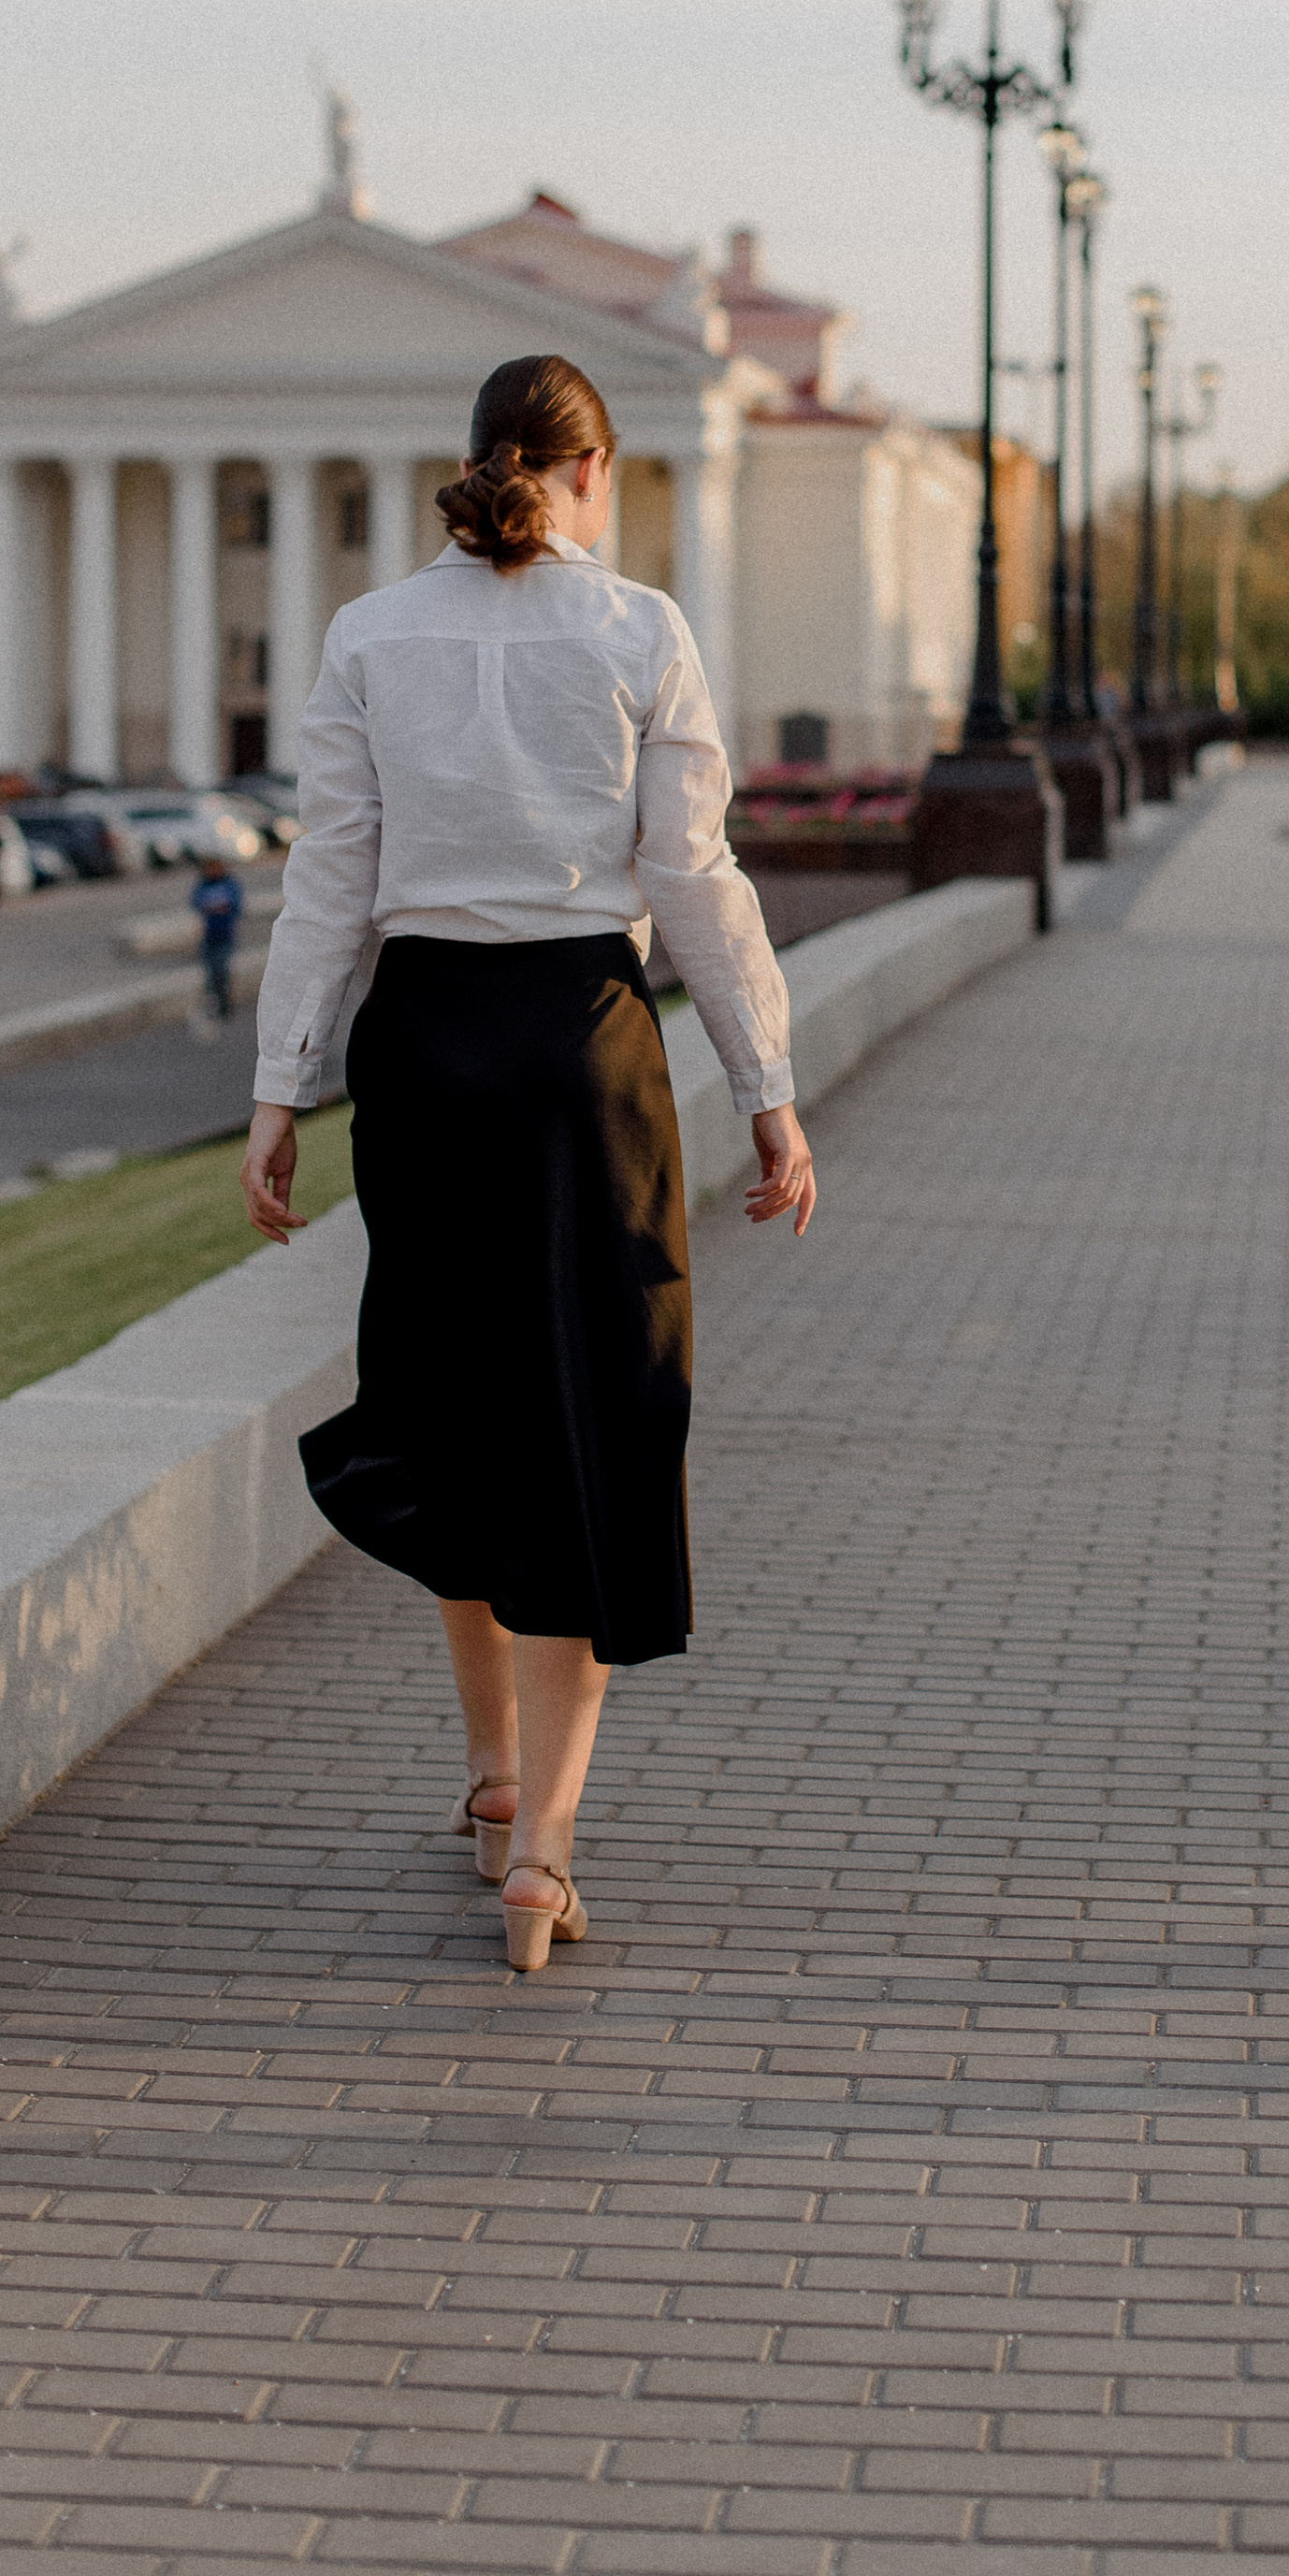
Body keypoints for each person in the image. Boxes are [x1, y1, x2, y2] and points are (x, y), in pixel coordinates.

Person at [239, 353, 816, 1974]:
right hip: (583, 1052)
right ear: (591, 471)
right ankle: (545, 1851)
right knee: (592, 1420)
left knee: (457, 1407)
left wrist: (279, 1089)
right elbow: (694, 879)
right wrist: (767, 1085)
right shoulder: (639, 628)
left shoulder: (368, 633)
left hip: (419, 1050)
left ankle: (492, 1768)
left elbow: (330, 878)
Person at [192, 851, 242, 1015]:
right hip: (209, 934)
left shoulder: (229, 884)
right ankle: (215, 1003)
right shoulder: (202, 886)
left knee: (223, 969)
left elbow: (237, 906)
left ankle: (226, 1003)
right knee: (211, 971)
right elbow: (196, 903)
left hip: (225, 933)